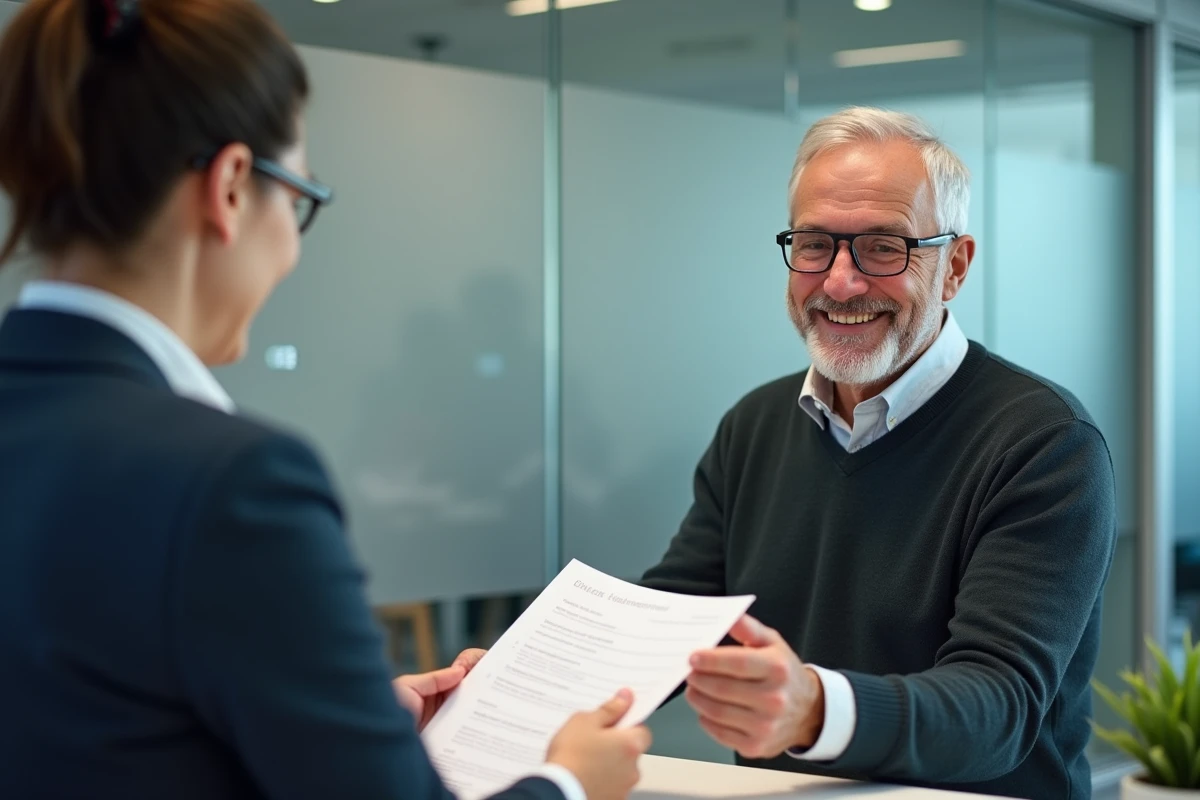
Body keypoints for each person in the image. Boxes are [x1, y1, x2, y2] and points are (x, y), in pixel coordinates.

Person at [0, 1, 649, 799]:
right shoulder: (230, 484)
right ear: (232, 187)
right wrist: (568, 782)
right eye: (300, 197)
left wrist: (336, 723)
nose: (292, 251)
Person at [639, 107, 1116, 799]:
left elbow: (999, 705)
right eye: (813, 245)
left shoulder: (1044, 443)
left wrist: (815, 710)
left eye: (884, 248)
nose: (839, 282)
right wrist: (512, 684)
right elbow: (669, 620)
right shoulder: (755, 424)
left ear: (954, 266)